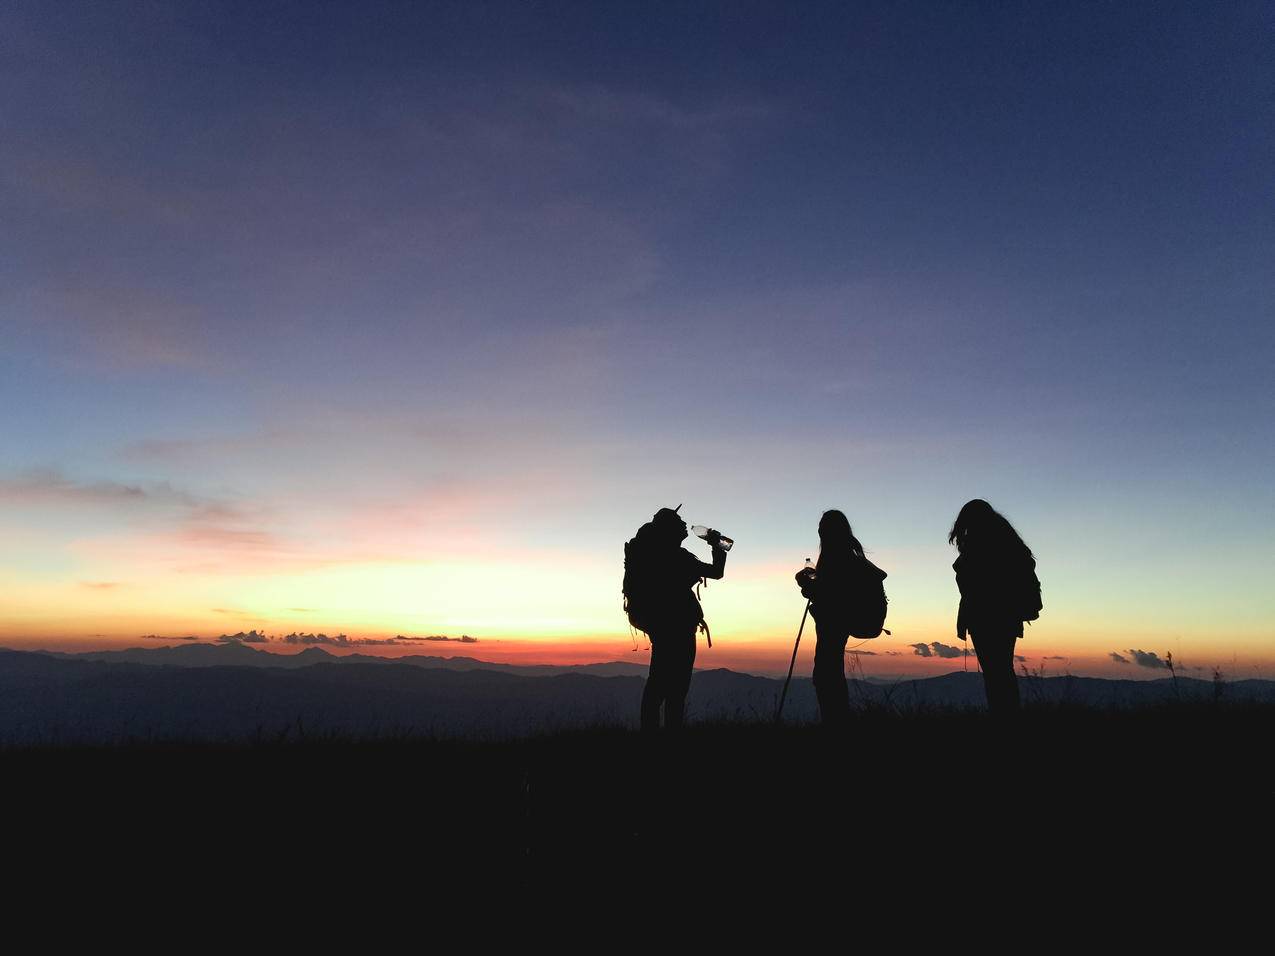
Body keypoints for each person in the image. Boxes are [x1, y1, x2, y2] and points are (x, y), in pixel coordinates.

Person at [624, 507, 727, 732]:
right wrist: (716, 544)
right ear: (669, 529)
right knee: (676, 685)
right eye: (679, 521)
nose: (684, 524)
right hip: (678, 626)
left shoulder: (653, 554)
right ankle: (670, 734)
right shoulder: (676, 557)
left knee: (658, 680)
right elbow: (717, 572)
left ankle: (651, 732)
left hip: (661, 625)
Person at [794, 510, 887, 727]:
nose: (819, 532)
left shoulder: (836, 558)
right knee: (829, 672)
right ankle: (837, 721)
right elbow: (833, 593)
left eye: (821, 528)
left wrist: (806, 585)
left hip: (835, 624)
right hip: (843, 621)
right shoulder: (850, 557)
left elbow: (832, 596)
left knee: (826, 674)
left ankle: (836, 723)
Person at [949, 499, 1042, 714]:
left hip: (985, 617)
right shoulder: (1007, 542)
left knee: (995, 673)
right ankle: (1007, 713)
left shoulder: (980, 545)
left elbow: (973, 582)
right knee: (1001, 670)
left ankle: (1003, 715)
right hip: (1007, 617)